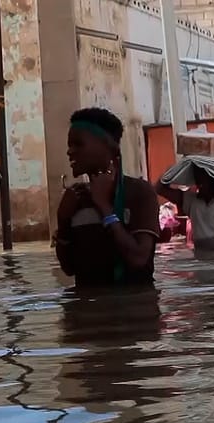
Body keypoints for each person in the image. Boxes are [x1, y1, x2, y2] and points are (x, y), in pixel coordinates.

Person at [55, 108, 160, 288]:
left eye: (78, 144)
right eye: (69, 145)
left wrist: (104, 207)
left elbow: (138, 259)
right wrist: (62, 219)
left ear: (108, 147)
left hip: (134, 309)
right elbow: (69, 268)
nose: (69, 152)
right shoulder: (77, 198)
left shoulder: (139, 192)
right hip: (88, 312)